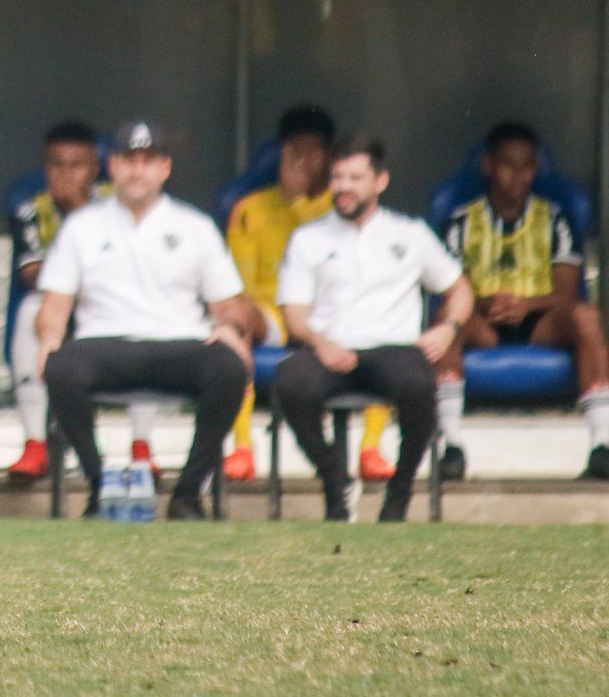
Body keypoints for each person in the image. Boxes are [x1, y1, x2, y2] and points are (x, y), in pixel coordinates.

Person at [37, 121, 257, 520]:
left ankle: (188, 494)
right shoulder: (82, 226)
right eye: (129, 160)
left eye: (148, 161)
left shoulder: (195, 226)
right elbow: (55, 304)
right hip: (105, 342)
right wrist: (49, 337)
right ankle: (99, 487)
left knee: (227, 367)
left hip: (180, 341)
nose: (138, 170)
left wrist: (230, 327)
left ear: (165, 168)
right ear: (113, 166)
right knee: (61, 367)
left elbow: (228, 304)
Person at [276, 134, 473, 521]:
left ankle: (399, 494)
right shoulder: (308, 238)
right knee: (289, 381)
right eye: (338, 177)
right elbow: (293, 314)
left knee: (419, 386)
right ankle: (335, 481)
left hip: (393, 348)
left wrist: (448, 328)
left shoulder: (410, 234)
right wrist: (320, 342)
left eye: (355, 178)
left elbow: (460, 289)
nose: (344, 187)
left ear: (379, 181)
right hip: (328, 348)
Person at [221, 105, 389, 483]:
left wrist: (297, 202)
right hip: (274, 313)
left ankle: (372, 448)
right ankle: (242, 447)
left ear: (331, 157)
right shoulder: (250, 208)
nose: (303, 161)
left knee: (382, 320)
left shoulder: (345, 205)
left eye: (313, 151)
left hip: (335, 311)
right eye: (293, 151)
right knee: (236, 319)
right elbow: (237, 284)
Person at [436, 122, 609, 481]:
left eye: (527, 165)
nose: (518, 174)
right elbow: (453, 288)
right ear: (488, 166)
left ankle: (602, 444)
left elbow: (566, 290)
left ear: (536, 169)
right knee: (446, 320)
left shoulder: (554, 217)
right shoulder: (461, 220)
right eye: (507, 164)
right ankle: (451, 448)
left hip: (540, 321)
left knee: (587, 316)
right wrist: (487, 303)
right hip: (482, 320)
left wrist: (524, 306)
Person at [7, 121, 138, 483]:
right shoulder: (29, 209)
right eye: (56, 164)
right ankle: (35, 444)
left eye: (75, 165)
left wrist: (81, 209)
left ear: (96, 168)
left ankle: (143, 448)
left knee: (149, 321)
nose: (64, 174)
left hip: (113, 307)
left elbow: (132, 268)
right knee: (28, 312)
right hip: (56, 311)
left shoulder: (119, 203)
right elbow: (34, 275)